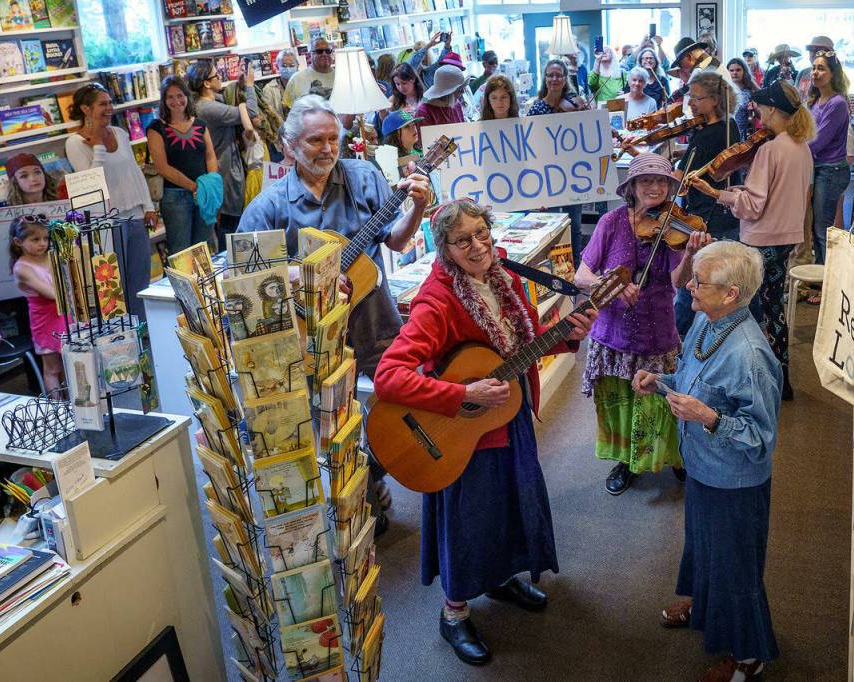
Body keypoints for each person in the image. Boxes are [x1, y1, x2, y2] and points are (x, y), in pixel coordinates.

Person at [373, 198, 596, 665]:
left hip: (506, 419)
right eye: (462, 240)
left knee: (512, 506)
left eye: (481, 234)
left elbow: (529, 341)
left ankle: (498, 578)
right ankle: (453, 614)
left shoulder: (508, 279)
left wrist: (572, 332)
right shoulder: (437, 299)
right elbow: (390, 375)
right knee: (470, 520)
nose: (476, 246)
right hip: (460, 433)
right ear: (445, 249)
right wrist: (462, 395)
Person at [238, 96, 431, 532]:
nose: (327, 148)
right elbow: (244, 274)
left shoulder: (365, 178)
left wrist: (417, 206)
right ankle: (353, 493)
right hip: (312, 338)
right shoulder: (268, 207)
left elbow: (397, 241)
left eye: (332, 138)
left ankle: (373, 476)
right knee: (330, 424)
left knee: (399, 408)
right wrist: (302, 276)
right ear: (289, 146)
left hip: (374, 323)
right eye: (314, 141)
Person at [634, 240, 781, 682]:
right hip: (702, 465)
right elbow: (689, 377)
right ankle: (703, 605)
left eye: (700, 281)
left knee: (734, 565)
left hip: (734, 482)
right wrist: (660, 382)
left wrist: (709, 418)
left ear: (731, 293)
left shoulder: (750, 357)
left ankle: (749, 656)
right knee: (703, 547)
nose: (689, 286)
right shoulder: (708, 317)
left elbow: (760, 438)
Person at [575, 153, 710, 495]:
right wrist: (613, 284)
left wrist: (692, 253)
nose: (654, 187)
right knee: (621, 400)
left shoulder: (672, 228)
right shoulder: (611, 222)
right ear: (632, 187)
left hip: (657, 331)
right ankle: (627, 461)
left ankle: (674, 456)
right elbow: (582, 275)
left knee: (661, 401)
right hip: (613, 334)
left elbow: (679, 281)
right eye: (646, 180)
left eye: (661, 181)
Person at [688, 80, 814, 401]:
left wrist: (717, 193)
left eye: (760, 106)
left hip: (762, 239)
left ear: (772, 109)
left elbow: (753, 206)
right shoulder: (802, 148)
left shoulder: (770, 149)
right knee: (774, 308)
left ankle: (759, 379)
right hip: (786, 237)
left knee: (752, 310)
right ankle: (781, 377)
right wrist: (738, 192)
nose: (756, 110)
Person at [64, 82, 155, 322]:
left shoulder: (121, 133)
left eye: (109, 103)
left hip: (135, 215)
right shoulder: (74, 143)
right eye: (102, 104)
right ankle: (121, 338)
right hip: (106, 221)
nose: (109, 108)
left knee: (140, 280)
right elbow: (91, 184)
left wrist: (149, 206)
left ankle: (142, 332)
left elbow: (135, 171)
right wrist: (98, 149)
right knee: (114, 285)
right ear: (85, 109)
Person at [673, 70, 741, 337]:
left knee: (691, 285)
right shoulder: (730, 126)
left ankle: (679, 340)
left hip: (705, 218)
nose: (690, 104)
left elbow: (678, 181)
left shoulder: (706, 136)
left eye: (696, 98)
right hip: (727, 216)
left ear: (714, 100)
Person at [146, 76, 219, 255]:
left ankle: (202, 283)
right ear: (163, 100)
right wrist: (194, 187)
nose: (176, 101)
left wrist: (210, 184)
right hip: (175, 197)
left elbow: (210, 156)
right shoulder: (156, 128)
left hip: (204, 193)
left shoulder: (200, 124)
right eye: (170, 97)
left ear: (187, 96)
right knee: (181, 251)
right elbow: (162, 167)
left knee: (203, 247)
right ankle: (183, 284)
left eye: (180, 95)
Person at [186, 59, 257, 240]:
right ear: (206, 83)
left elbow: (224, 98)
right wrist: (249, 86)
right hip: (225, 172)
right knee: (231, 228)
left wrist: (238, 86)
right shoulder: (208, 108)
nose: (220, 78)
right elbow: (252, 112)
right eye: (217, 75)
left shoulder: (205, 102)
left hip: (224, 169)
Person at [528, 60, 586, 266]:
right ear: (545, 78)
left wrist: (586, 115)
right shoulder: (537, 108)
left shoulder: (576, 103)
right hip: (548, 175)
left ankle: (575, 268)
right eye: (550, 75)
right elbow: (531, 143)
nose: (554, 79)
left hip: (573, 173)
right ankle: (556, 268)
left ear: (565, 78)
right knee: (551, 224)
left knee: (575, 225)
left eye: (559, 75)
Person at [807, 48, 851, 270]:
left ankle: (826, 280)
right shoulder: (816, 101)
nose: (815, 72)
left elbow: (818, 141)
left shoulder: (837, 104)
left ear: (833, 73)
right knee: (817, 227)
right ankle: (819, 274)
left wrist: (790, 150)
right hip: (820, 168)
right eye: (814, 68)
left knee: (823, 228)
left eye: (821, 68)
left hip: (831, 171)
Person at [10, 216, 65, 392]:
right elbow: (51, 293)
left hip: (64, 314)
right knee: (52, 368)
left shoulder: (50, 256)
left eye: (46, 238)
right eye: (35, 239)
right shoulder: (22, 268)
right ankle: (58, 410)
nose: (42, 243)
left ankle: (74, 406)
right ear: (18, 241)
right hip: (45, 319)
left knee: (68, 364)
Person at [283, 37, 336, 107]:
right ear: (310, 54)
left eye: (328, 51)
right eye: (319, 51)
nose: (324, 54)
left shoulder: (341, 77)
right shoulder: (296, 79)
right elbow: (287, 108)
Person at [415, 65, 467, 132]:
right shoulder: (424, 112)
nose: (463, 92)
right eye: (460, 89)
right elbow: (428, 141)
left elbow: (463, 131)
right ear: (448, 93)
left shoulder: (456, 104)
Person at [726, 57, 760, 138]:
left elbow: (761, 115)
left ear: (744, 71)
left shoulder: (751, 91)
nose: (734, 73)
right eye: (731, 70)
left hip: (744, 136)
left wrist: (755, 108)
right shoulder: (724, 90)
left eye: (738, 70)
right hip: (726, 134)